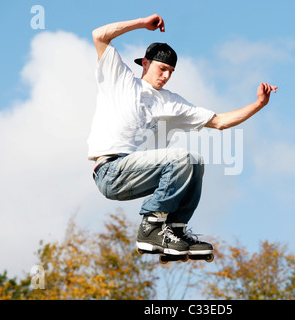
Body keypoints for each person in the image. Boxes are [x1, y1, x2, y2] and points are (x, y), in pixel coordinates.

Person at [88, 14, 277, 257]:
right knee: (182, 157)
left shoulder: (171, 102)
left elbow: (219, 122)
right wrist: (142, 24)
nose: (166, 76)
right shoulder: (120, 80)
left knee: (195, 161)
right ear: (145, 63)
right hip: (110, 170)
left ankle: (174, 230)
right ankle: (151, 227)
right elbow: (99, 35)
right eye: (162, 68)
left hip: (136, 175)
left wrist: (258, 104)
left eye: (171, 72)